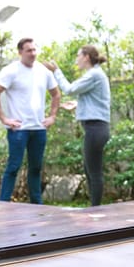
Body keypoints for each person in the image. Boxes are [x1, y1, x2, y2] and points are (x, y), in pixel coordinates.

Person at [0, 37, 61, 204]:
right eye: (29, 50)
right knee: (13, 168)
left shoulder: (44, 71)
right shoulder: (11, 70)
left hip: (39, 129)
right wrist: (4, 118)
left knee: (35, 169)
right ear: (20, 52)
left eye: (34, 50)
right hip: (18, 130)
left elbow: (56, 94)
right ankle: (2, 205)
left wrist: (52, 116)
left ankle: (37, 206)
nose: (33, 53)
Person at [43, 44, 111, 206]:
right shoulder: (96, 75)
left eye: (78, 56)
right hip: (96, 128)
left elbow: (69, 89)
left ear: (86, 57)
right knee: (90, 170)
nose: (77, 59)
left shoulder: (94, 74)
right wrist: (77, 104)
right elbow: (97, 100)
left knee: (93, 173)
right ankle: (95, 208)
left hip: (96, 129)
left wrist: (56, 70)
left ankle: (96, 210)